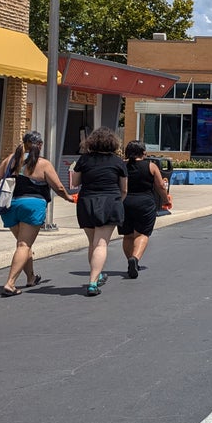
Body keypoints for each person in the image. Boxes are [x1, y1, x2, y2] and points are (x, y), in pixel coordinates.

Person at [0, 131, 74, 297]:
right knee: (24, 245)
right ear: (40, 145)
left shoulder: (9, 160)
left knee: (22, 244)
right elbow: (58, 187)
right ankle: (10, 283)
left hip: (10, 206)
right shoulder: (43, 163)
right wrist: (68, 198)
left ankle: (31, 277)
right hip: (32, 205)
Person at [71, 127, 127, 297]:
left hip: (87, 201)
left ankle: (97, 274)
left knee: (93, 243)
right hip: (110, 201)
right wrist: (118, 202)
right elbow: (124, 189)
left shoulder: (84, 160)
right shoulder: (118, 162)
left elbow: (75, 182)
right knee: (101, 243)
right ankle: (93, 282)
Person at [118, 140, 171, 280]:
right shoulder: (151, 166)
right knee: (142, 234)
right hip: (145, 202)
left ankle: (130, 259)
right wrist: (166, 200)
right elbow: (160, 186)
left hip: (124, 202)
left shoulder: (122, 165)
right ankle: (135, 259)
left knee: (128, 235)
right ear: (143, 152)